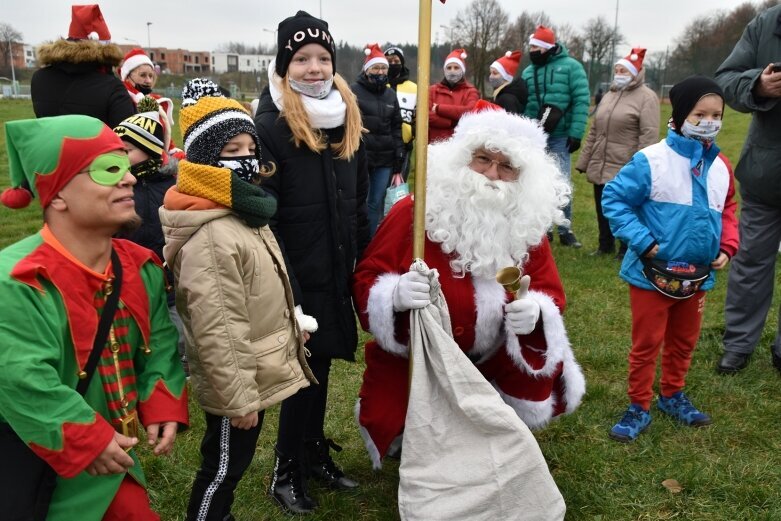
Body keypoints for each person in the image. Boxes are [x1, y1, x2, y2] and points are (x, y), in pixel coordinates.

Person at [352, 101, 586, 468]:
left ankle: (495, 427)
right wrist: (393, 295)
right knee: (386, 415)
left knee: (534, 371)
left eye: (506, 166)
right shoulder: (414, 213)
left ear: (522, 176)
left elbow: (549, 289)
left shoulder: (526, 222)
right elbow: (368, 276)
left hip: (494, 357)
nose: (491, 174)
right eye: (482, 159)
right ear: (461, 159)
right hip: (421, 359)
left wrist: (536, 310)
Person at [0, 114, 189, 520]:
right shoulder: (17, 281)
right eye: (108, 169)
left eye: (125, 165)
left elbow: (159, 344)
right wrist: (86, 437)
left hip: (109, 466)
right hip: (37, 456)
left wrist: (162, 401)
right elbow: (22, 377)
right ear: (58, 195)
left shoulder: (140, 267)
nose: (129, 180)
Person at [159, 78, 316, 521]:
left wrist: (290, 327)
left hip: (248, 371)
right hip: (235, 386)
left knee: (234, 462)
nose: (247, 160)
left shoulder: (241, 210)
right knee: (224, 466)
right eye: (232, 152)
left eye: (250, 148)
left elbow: (257, 293)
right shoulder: (212, 232)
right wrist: (238, 399)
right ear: (206, 159)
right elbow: (218, 327)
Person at [254, 10, 369, 515]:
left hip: (336, 264)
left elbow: (360, 199)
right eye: (302, 59)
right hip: (295, 269)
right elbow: (266, 214)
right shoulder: (271, 126)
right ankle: (285, 470)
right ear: (285, 65)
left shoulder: (347, 115)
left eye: (323, 58)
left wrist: (361, 262)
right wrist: (289, 283)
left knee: (320, 366)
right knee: (301, 371)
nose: (315, 68)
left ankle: (312, 450)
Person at [602, 76, 739, 442]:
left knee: (683, 341)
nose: (709, 121)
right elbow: (614, 199)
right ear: (680, 116)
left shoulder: (721, 165)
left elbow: (727, 208)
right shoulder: (652, 160)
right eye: (700, 113)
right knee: (647, 343)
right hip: (651, 274)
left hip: (697, 277)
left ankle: (672, 394)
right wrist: (642, 241)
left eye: (716, 114)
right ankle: (638, 405)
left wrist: (727, 245)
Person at [714, 4, 781, 375]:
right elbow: (725, 77)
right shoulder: (766, 24)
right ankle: (739, 343)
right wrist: (758, 84)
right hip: (766, 172)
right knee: (752, 261)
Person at [113, 96, 188, 374]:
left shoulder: (173, 184)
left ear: (151, 150)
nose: (120, 157)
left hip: (168, 274)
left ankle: (178, 363)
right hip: (127, 272)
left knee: (174, 326)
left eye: (127, 150)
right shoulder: (117, 185)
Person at [575, 48, 660, 258]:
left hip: (625, 165)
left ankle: (626, 248)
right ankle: (605, 245)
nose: (619, 74)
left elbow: (648, 134)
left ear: (635, 73)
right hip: (601, 162)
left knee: (625, 209)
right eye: (617, 70)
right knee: (602, 206)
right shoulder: (609, 95)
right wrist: (584, 160)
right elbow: (595, 129)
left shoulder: (647, 98)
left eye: (624, 70)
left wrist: (639, 167)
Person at [522, 25, 590, 248]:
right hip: (535, 136)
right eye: (530, 46)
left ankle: (565, 228)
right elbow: (525, 104)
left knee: (560, 181)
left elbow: (581, 99)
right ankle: (544, 229)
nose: (531, 50)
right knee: (535, 182)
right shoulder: (528, 72)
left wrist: (576, 132)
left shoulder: (571, 67)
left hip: (560, 135)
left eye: (535, 46)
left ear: (547, 48)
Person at [31, 4, 136, 129]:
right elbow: (126, 135)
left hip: (51, 147)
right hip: (99, 148)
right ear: (105, 51)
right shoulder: (112, 86)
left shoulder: (39, 78)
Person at [351, 43, 404, 236]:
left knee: (375, 203)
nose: (380, 71)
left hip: (384, 160)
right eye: (376, 67)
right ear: (367, 69)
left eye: (383, 68)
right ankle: (355, 237)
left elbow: (396, 126)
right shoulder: (354, 91)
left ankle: (370, 240)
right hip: (361, 157)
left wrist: (399, 153)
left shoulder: (391, 94)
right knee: (359, 201)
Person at [119, 48, 176, 140]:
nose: (148, 81)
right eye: (143, 75)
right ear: (127, 77)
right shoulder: (122, 100)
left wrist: (175, 152)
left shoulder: (155, 101)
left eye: (151, 76)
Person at [428, 48, 480, 143]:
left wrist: (439, 108)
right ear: (444, 70)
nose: (452, 71)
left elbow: (469, 112)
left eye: (456, 68)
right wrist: (451, 122)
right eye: (449, 67)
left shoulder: (471, 91)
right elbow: (425, 115)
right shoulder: (432, 90)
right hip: (433, 145)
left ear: (462, 70)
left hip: (458, 146)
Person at [385, 46, 417, 180]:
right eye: (389, 61)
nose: (393, 64)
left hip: (404, 145)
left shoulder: (414, 88)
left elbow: (419, 116)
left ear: (402, 63)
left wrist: (412, 133)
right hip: (381, 145)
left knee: (398, 189)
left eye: (396, 61)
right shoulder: (379, 85)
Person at [489, 50, 528, 114]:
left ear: (506, 77)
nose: (491, 76)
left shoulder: (507, 99)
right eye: (490, 73)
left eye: (495, 73)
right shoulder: (502, 94)